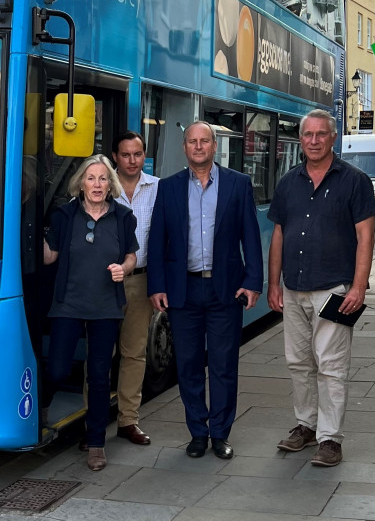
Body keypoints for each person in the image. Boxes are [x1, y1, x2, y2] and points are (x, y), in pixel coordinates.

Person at [267, 109, 375, 468]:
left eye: (321, 135)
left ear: (333, 138)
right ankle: (306, 425)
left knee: (331, 365)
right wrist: (273, 283)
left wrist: (359, 286)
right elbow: (279, 234)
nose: (313, 141)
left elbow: (365, 236)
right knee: (298, 362)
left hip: (334, 289)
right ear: (301, 140)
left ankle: (331, 439)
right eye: (308, 135)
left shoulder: (354, 181)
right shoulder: (288, 182)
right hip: (295, 287)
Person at [148, 121, 263, 460]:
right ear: (185, 148)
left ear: (214, 146)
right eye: (192, 142)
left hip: (224, 289)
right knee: (188, 364)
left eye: (204, 141)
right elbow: (157, 242)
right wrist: (157, 285)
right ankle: (198, 432)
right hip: (183, 290)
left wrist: (253, 281)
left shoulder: (237, 184)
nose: (198, 147)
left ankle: (220, 433)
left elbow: (250, 237)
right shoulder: (167, 188)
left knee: (225, 365)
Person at [42, 155, 138, 472]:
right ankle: (41, 408)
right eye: (91, 178)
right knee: (56, 369)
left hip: (105, 307)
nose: (97, 184)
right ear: (80, 183)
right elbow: (50, 256)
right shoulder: (64, 215)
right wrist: (25, 228)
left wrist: (122, 270)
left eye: (102, 179)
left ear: (110, 184)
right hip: (67, 304)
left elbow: (131, 257)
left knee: (99, 377)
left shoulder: (123, 217)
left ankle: (96, 443)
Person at [110, 130, 159, 446]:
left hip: (140, 281)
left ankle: (128, 420)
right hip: (103, 284)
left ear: (144, 155)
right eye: (125, 154)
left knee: (134, 353)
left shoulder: (158, 189)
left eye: (137, 154)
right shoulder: (99, 184)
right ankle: (94, 419)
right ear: (116, 156)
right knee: (101, 354)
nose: (132, 160)